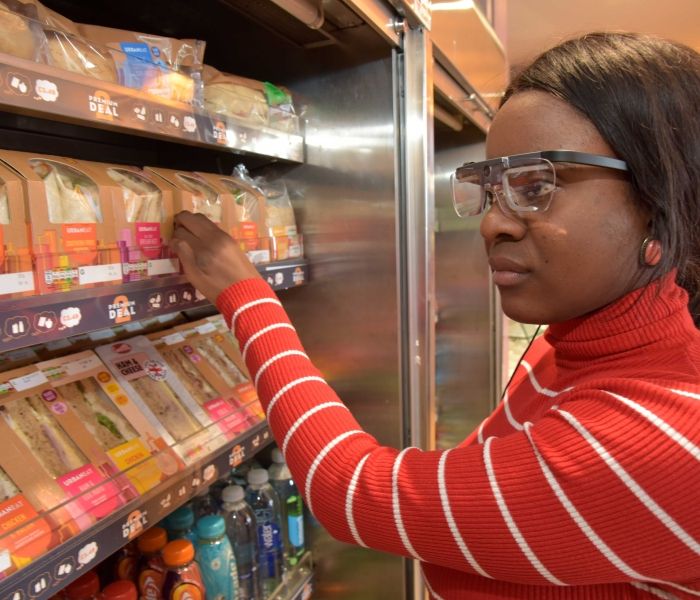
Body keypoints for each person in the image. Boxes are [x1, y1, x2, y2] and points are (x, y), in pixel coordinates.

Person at [170, 32, 700, 599]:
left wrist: (246, 294)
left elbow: (348, 490)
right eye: (492, 189)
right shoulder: (574, 344)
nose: (492, 224)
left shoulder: (661, 435)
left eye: (538, 184)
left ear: (658, 206)